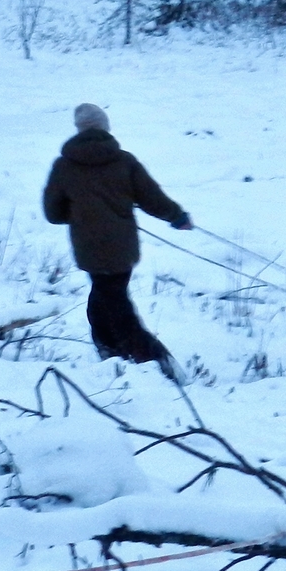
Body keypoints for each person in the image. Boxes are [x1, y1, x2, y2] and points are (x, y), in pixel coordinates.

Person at [42, 103, 193, 375]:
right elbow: (151, 198)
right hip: (122, 250)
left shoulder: (64, 166)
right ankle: (122, 356)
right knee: (107, 304)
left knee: (109, 305)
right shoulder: (124, 161)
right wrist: (177, 217)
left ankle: (152, 361)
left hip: (89, 250)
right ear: (105, 127)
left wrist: (81, 213)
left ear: (79, 129)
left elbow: (53, 213)